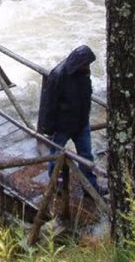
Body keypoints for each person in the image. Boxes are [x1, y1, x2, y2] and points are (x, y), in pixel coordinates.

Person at [37, 44, 102, 195]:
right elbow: (49, 104)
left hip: (81, 123)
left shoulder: (84, 72)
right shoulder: (58, 75)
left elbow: (86, 97)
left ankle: (90, 188)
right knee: (56, 156)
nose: (88, 67)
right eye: (86, 64)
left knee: (86, 156)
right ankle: (55, 184)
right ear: (79, 63)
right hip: (62, 126)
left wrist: (85, 118)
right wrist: (48, 129)